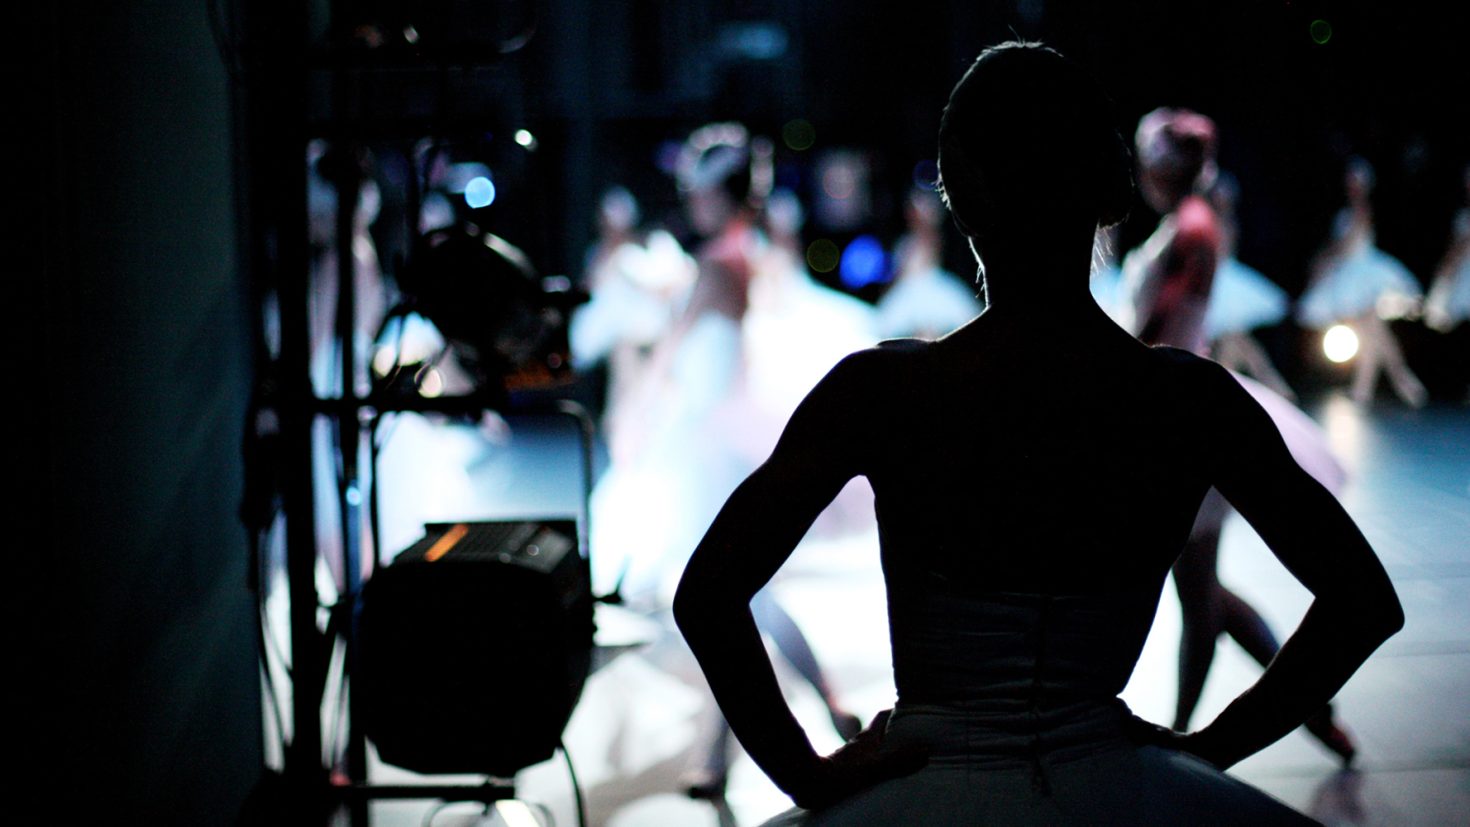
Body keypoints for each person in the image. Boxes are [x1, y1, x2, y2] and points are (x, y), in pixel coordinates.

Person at [674, 42, 1402, 825]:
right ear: (1111, 190)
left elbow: (707, 594)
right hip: (1123, 784)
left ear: (957, 191)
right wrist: (1211, 750)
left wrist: (807, 778)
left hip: (925, 782)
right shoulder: (1186, 400)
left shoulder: (882, 392)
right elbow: (1361, 600)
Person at [588, 124, 862, 803]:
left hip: (706, 450)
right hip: (720, 441)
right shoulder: (747, 255)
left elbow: (671, 356)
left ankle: (792, 722)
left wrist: (634, 416)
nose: (693, 202)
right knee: (741, 599)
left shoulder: (718, 264)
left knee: (725, 598)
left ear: (720, 195)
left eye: (699, 191)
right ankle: (760, 732)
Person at [1125, 108, 1359, 763]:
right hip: (1170, 407)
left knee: (1197, 593)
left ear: (1163, 168)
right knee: (1204, 589)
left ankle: (1183, 745)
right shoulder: (1189, 224)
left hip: (1176, 418)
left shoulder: (1192, 229)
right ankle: (1313, 714)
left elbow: (1161, 326)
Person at [1297, 157, 1427, 407]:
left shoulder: (1361, 209)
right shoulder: (1350, 209)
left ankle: (1399, 381)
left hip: (1362, 273)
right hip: (1352, 271)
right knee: (1373, 332)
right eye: (1350, 180)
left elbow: (1347, 245)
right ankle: (1375, 386)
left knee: (1373, 331)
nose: (1351, 185)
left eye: (1356, 180)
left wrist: (1324, 261)